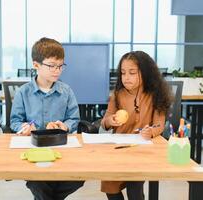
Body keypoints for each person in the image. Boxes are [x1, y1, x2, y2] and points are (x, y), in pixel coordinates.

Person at [10, 37, 84, 200]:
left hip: (61, 149)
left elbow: (73, 119)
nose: (57, 70)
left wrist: (64, 126)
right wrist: (25, 127)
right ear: (36, 65)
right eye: (51, 66)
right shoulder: (23, 92)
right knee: (39, 182)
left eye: (60, 66)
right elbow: (15, 121)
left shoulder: (66, 91)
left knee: (80, 177)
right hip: (34, 151)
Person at [100, 51, 172, 200]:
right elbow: (105, 120)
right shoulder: (117, 94)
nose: (126, 78)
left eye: (132, 73)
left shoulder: (155, 94)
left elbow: (159, 124)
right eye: (123, 73)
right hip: (118, 149)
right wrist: (110, 120)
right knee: (110, 185)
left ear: (145, 73)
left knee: (135, 188)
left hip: (141, 150)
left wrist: (150, 132)